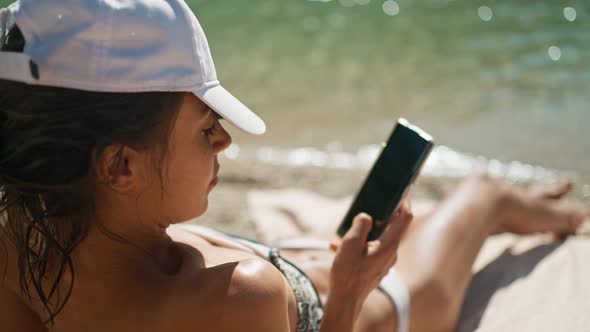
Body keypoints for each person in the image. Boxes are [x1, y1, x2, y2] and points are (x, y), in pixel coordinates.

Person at [0, 1, 585, 332]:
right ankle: (555, 211)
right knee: (479, 197)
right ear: (120, 166)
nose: (225, 143)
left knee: (352, 235)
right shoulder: (237, 300)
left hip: (298, 269)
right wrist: (353, 291)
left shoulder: (20, 247)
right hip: (374, 310)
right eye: (207, 129)